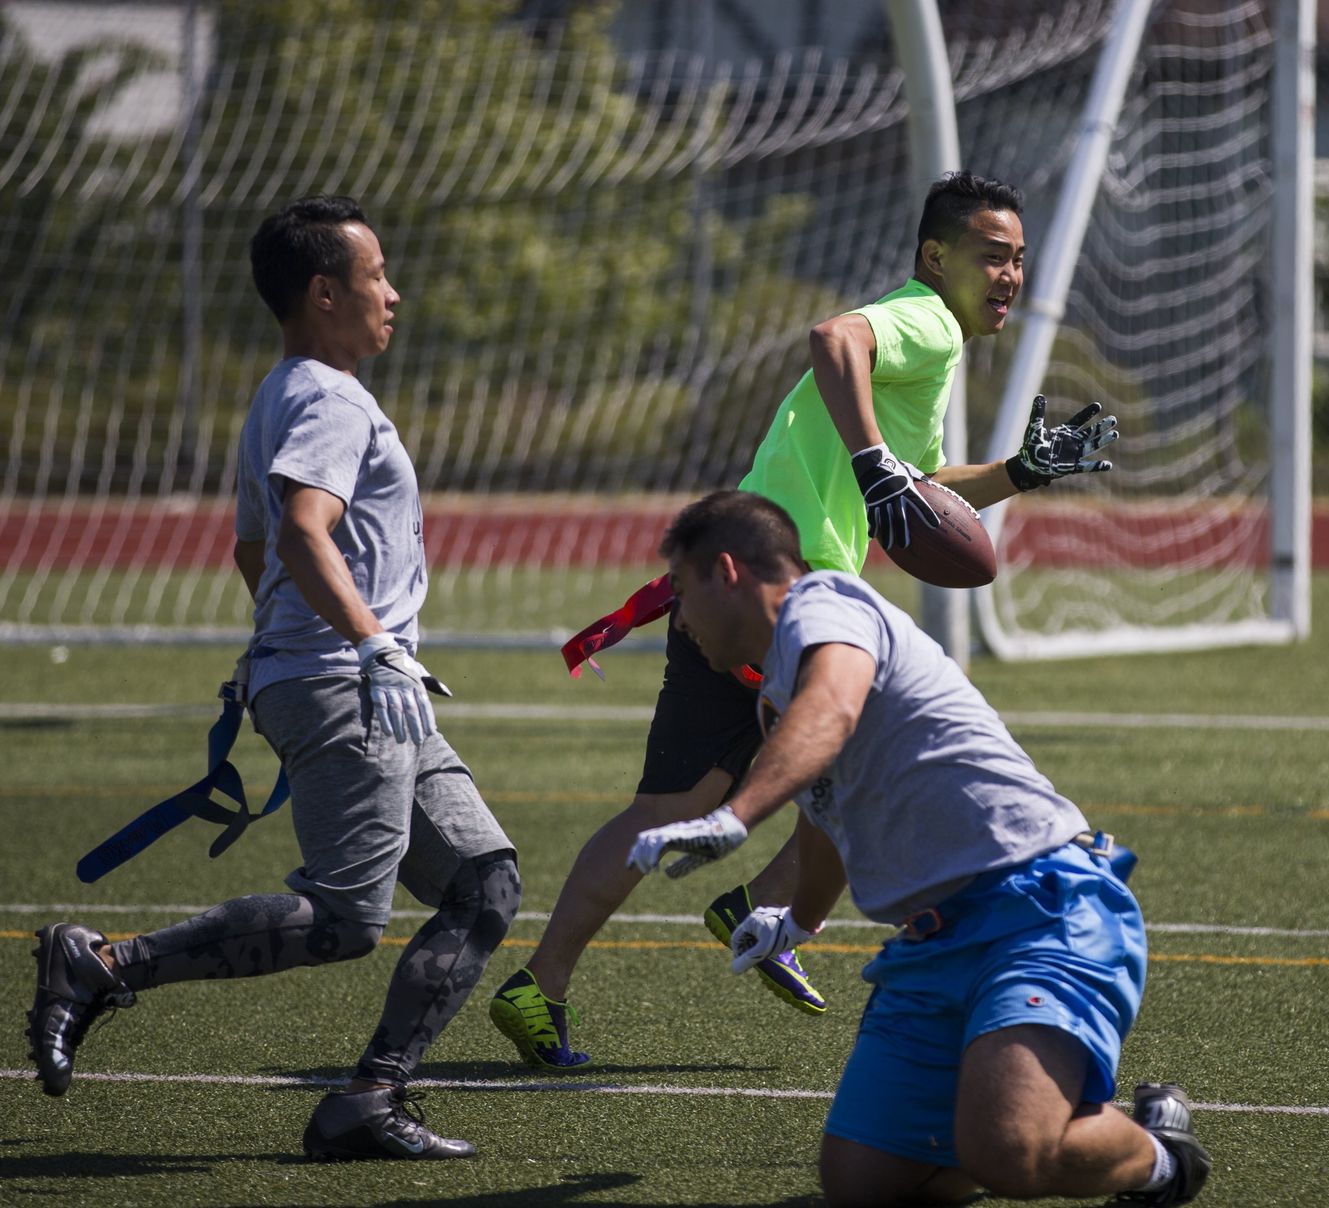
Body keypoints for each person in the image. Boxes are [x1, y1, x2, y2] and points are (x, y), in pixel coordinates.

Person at [490, 171, 1118, 1069]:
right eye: (993, 256)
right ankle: (765, 911)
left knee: (679, 803)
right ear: (937, 258)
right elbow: (834, 337)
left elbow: (923, 486)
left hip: (738, 584)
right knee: (845, 748)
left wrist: (1020, 472)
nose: (1010, 275)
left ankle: (540, 983)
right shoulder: (927, 321)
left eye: (1019, 259)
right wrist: (870, 462)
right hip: (780, 595)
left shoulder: (930, 339)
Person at [26, 195, 520, 1161]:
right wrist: (363, 645)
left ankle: (366, 1102)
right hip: (356, 682)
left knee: (483, 885)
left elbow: (255, 549)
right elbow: (298, 534)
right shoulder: (329, 400)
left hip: (359, 684)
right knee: (343, 919)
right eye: (379, 277)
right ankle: (100, 965)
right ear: (326, 291)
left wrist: (299, 654)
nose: (396, 294)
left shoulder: (287, 389)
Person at [623, 490, 1207, 1207]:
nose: (678, 619)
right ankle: (1031, 1123)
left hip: (1038, 909)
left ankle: (1162, 1157)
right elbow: (826, 812)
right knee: (861, 1183)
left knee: (1008, 1150)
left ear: (726, 571)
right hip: (932, 944)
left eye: (679, 592)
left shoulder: (825, 604)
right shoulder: (781, 689)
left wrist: (734, 817)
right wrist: (797, 923)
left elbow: (833, 712)